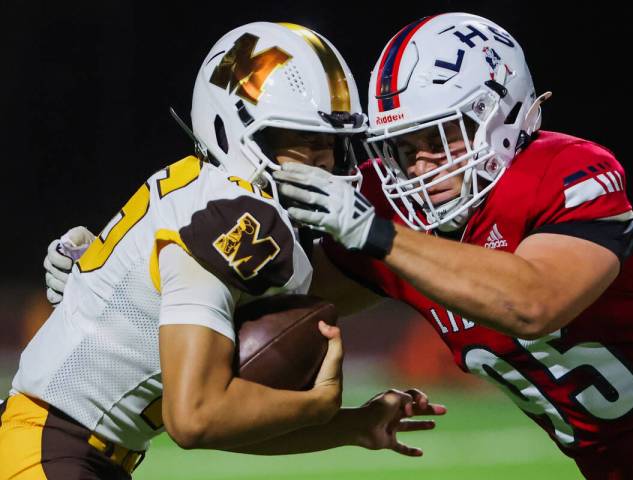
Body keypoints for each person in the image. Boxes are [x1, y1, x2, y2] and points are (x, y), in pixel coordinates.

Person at [273, 13, 633, 480]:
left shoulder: (565, 170)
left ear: (505, 117)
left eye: (442, 140)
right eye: (404, 148)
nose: (421, 168)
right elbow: (292, 308)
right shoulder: (390, 213)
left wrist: (375, 233)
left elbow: (535, 304)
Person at [2, 22, 444, 480]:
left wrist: (352, 425)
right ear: (233, 130)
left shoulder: (206, 192)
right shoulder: (235, 221)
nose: (324, 164)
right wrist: (319, 403)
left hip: (58, 448)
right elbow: (195, 418)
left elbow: (221, 421)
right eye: (301, 140)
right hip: (46, 452)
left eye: (331, 144)